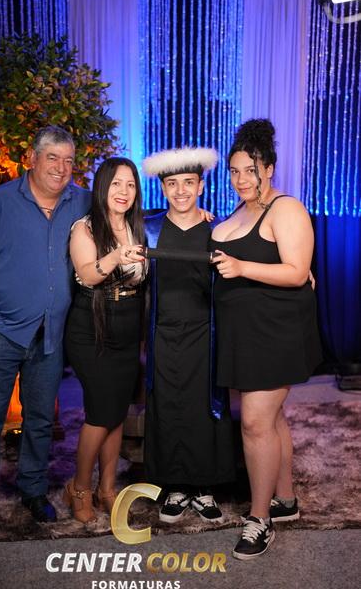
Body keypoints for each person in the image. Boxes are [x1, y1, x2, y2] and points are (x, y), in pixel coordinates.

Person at [0, 126, 91, 531]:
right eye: (52, 158)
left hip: (50, 334)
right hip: (2, 333)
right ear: (32, 159)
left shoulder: (81, 201)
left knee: (40, 421)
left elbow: (123, 213)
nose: (61, 168)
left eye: (68, 160)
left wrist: (186, 217)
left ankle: (33, 490)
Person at [210, 119, 322, 560]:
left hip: (276, 333)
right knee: (271, 419)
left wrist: (242, 268)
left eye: (250, 171)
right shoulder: (237, 213)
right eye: (235, 171)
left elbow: (296, 272)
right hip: (244, 334)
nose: (241, 179)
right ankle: (285, 500)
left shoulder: (286, 209)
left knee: (256, 422)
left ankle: (260, 520)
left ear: (269, 169)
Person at [142, 147, 236, 525]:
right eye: (172, 183)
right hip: (163, 332)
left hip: (205, 333)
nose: (180, 191)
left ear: (200, 186)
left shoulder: (218, 228)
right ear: (163, 188)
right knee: (168, 406)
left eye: (188, 183)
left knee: (203, 407)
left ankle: (203, 486)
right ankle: (176, 487)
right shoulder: (149, 228)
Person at [63, 157, 147, 524]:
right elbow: (86, 274)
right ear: (102, 187)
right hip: (91, 329)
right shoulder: (85, 228)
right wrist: (114, 256)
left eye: (130, 184)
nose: (124, 191)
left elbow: (180, 223)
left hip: (128, 329)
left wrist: (206, 217)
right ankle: (80, 488)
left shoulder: (137, 226)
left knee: (116, 413)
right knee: (100, 413)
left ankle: (107, 489)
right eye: (116, 183)